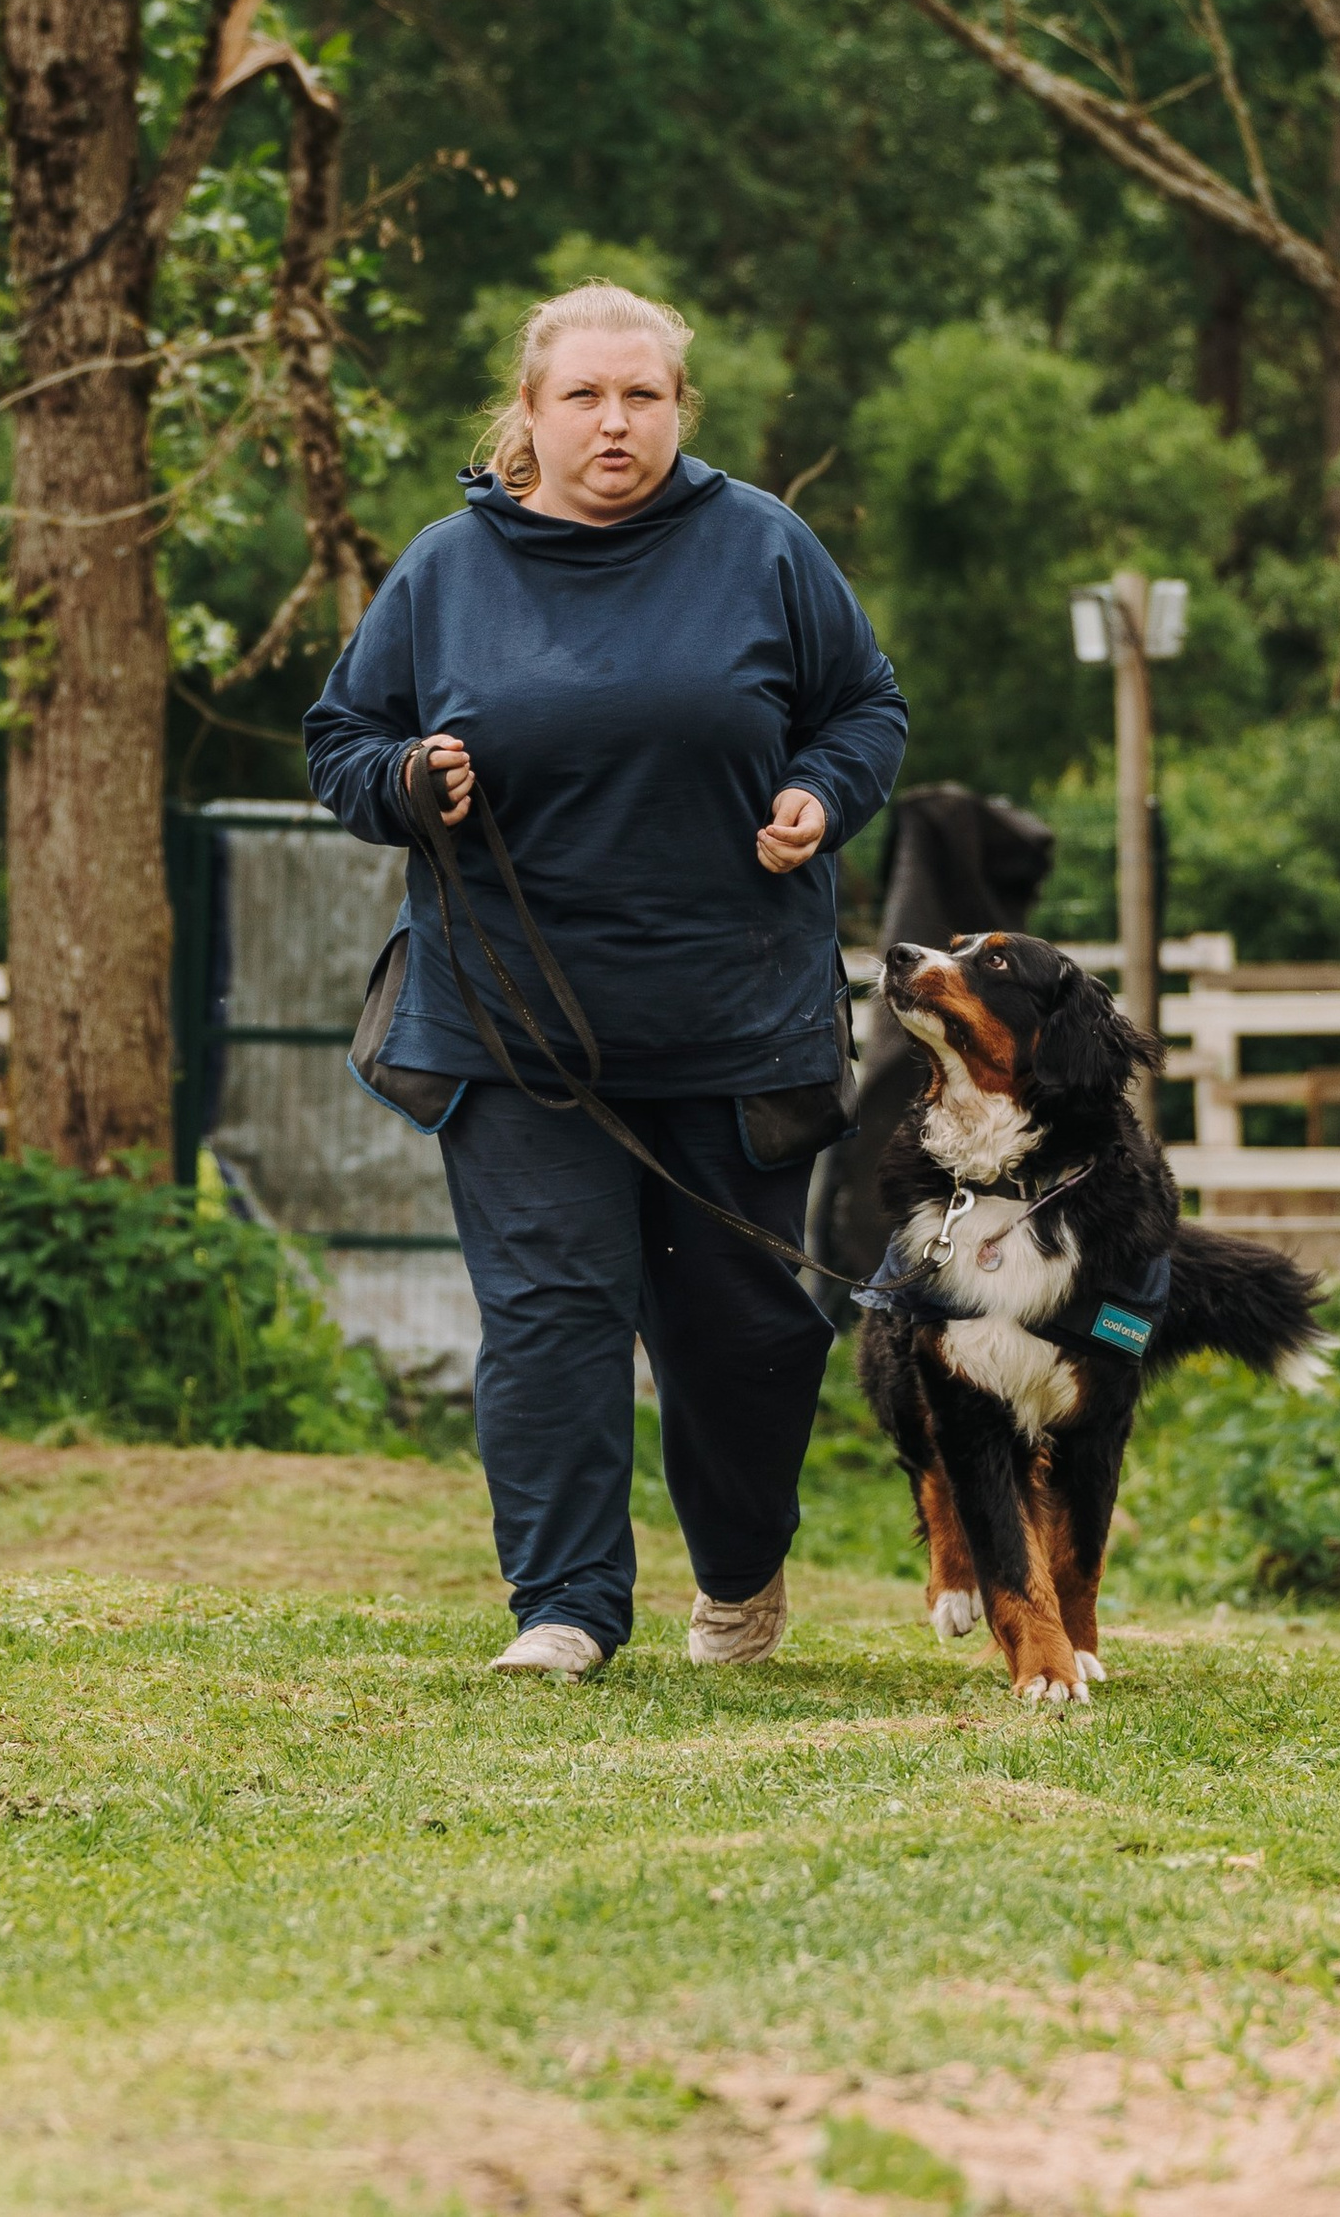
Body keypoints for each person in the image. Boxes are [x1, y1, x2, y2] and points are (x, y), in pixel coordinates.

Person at [304, 278, 907, 1677]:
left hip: (734, 1017)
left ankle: (740, 1575)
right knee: (552, 1316)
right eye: (583, 395)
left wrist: (821, 793)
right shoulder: (447, 568)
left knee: (739, 1331)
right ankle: (565, 1606)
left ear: (680, 407)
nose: (614, 420)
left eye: (643, 394)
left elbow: (863, 706)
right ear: (531, 412)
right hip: (513, 1020)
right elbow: (343, 742)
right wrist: (408, 779)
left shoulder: (763, 545)